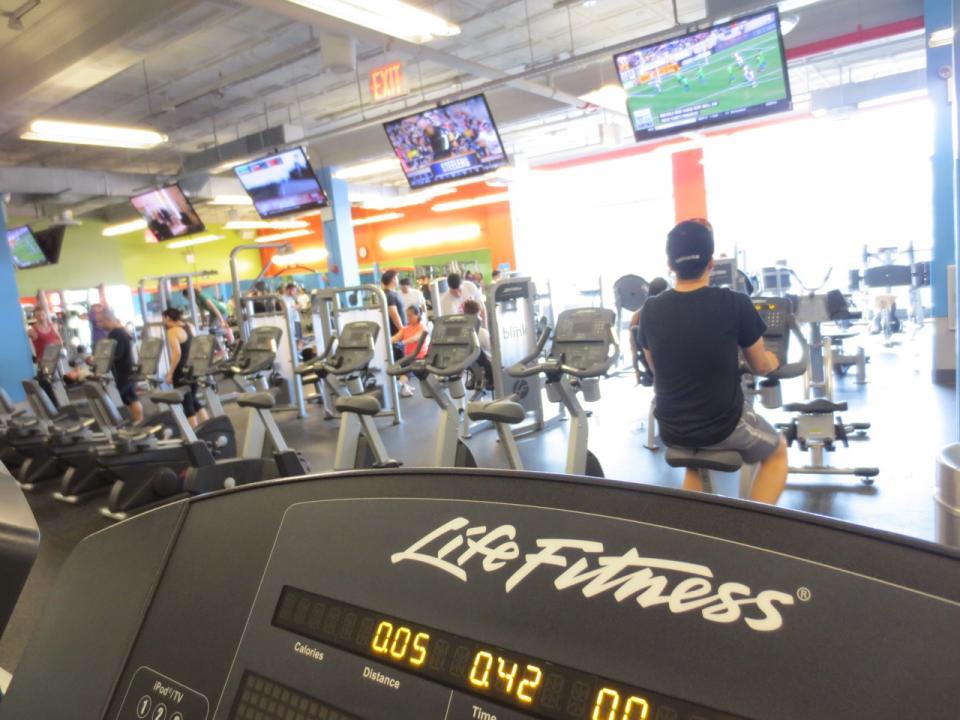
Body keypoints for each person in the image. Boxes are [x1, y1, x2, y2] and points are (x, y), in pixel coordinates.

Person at [638, 219, 788, 505]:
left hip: (670, 427)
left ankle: (693, 526)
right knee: (777, 450)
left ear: (670, 265)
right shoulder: (735, 302)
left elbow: (657, 368)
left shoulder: (650, 308)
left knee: (694, 461)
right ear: (710, 262)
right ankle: (754, 527)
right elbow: (761, 366)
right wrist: (774, 359)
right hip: (722, 426)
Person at [162, 308, 207, 428]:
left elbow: (177, 353)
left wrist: (170, 373)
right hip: (194, 368)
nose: (163, 322)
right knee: (192, 399)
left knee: (187, 403)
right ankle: (207, 426)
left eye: (163, 319)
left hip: (181, 371)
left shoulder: (172, 332)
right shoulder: (190, 326)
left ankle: (194, 434)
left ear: (167, 318)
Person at [98, 311, 143, 423]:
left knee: (123, 398)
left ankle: (137, 421)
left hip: (123, 373)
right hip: (127, 371)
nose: (99, 324)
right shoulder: (120, 331)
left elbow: (117, 353)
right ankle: (138, 421)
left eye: (101, 321)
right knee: (130, 398)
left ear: (109, 320)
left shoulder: (116, 333)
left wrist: (101, 358)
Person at [629, 277, 668, 386]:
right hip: (666, 367)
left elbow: (633, 348)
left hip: (650, 368)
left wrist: (636, 370)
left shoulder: (637, 315)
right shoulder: (667, 312)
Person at [391, 305, 430, 398]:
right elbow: (395, 337)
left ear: (417, 315)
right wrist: (388, 340)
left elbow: (416, 337)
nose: (408, 318)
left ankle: (399, 385)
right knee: (401, 366)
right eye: (407, 316)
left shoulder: (423, 327)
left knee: (409, 368)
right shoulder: (405, 328)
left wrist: (403, 342)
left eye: (410, 316)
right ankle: (403, 386)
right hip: (409, 357)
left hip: (421, 358)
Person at [381, 270, 406, 359]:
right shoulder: (389, 295)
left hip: (396, 331)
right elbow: (393, 313)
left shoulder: (390, 293)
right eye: (397, 277)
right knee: (400, 358)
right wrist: (402, 330)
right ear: (393, 279)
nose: (398, 279)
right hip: (396, 332)